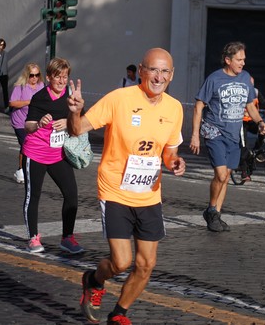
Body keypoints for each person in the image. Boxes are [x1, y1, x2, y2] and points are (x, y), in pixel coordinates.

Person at [67, 48, 186, 325]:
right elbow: (78, 129)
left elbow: (168, 152)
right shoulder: (119, 99)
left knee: (146, 265)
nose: (159, 76)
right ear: (141, 71)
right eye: (153, 70)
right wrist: (75, 112)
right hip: (115, 189)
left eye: (165, 71)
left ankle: (119, 313)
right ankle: (93, 280)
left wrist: (175, 162)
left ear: (172, 74)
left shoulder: (174, 108)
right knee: (121, 262)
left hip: (149, 194)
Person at [190, 41, 265, 232]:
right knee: (220, 173)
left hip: (234, 134)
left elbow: (250, 106)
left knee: (226, 177)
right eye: (239, 59)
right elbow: (199, 106)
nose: (242, 63)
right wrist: (195, 135)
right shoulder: (214, 79)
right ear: (228, 60)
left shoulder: (245, 79)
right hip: (214, 131)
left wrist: (259, 122)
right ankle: (211, 210)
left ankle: (215, 214)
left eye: (244, 59)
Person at [22, 57, 83, 254]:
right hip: (36, 152)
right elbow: (28, 126)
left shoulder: (71, 96)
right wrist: (39, 123)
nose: (62, 81)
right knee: (34, 195)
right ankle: (33, 237)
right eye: (58, 77)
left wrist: (68, 121)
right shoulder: (40, 97)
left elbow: (82, 120)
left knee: (71, 194)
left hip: (58, 154)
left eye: (65, 77)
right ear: (48, 77)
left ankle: (67, 237)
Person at [9, 63, 44, 184]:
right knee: (25, 144)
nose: (34, 78)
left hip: (35, 122)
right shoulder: (21, 86)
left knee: (32, 145)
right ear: (27, 75)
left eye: (37, 75)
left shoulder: (41, 86)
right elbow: (12, 103)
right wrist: (29, 102)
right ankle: (20, 169)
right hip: (20, 121)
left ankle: (30, 168)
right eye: (32, 75)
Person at [238, 75, 265, 182]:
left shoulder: (256, 93)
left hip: (252, 120)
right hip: (240, 122)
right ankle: (244, 171)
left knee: (263, 129)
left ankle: (258, 150)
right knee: (243, 146)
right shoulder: (237, 93)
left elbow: (264, 104)